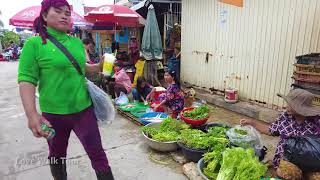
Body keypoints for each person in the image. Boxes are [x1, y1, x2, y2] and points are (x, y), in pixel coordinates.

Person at [18, 0, 114, 179]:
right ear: (45, 15)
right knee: (57, 157)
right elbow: (26, 80)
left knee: (98, 154)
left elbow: (82, 68)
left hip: (83, 110)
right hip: (53, 115)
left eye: (67, 13)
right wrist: (32, 115)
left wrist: (99, 65)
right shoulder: (34, 44)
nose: (64, 15)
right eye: (58, 11)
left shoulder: (76, 42)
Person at [240, 89, 320, 176]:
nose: (287, 106)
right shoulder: (285, 117)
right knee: (288, 173)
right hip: (287, 160)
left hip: (309, 162)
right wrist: (251, 123)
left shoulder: (316, 122)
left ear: (302, 109)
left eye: (291, 105)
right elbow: (271, 130)